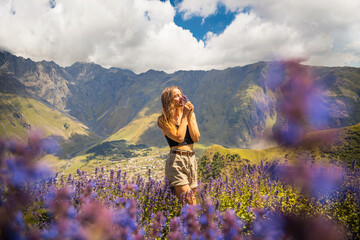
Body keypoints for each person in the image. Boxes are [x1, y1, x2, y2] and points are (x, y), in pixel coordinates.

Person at [157, 86, 200, 205]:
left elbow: (195, 137)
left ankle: (184, 223)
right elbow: (179, 138)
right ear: (168, 100)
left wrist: (189, 115)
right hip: (176, 161)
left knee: (189, 206)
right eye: (176, 95)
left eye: (180, 94)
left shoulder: (189, 115)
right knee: (190, 203)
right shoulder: (163, 120)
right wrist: (185, 116)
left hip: (191, 160)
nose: (180, 98)